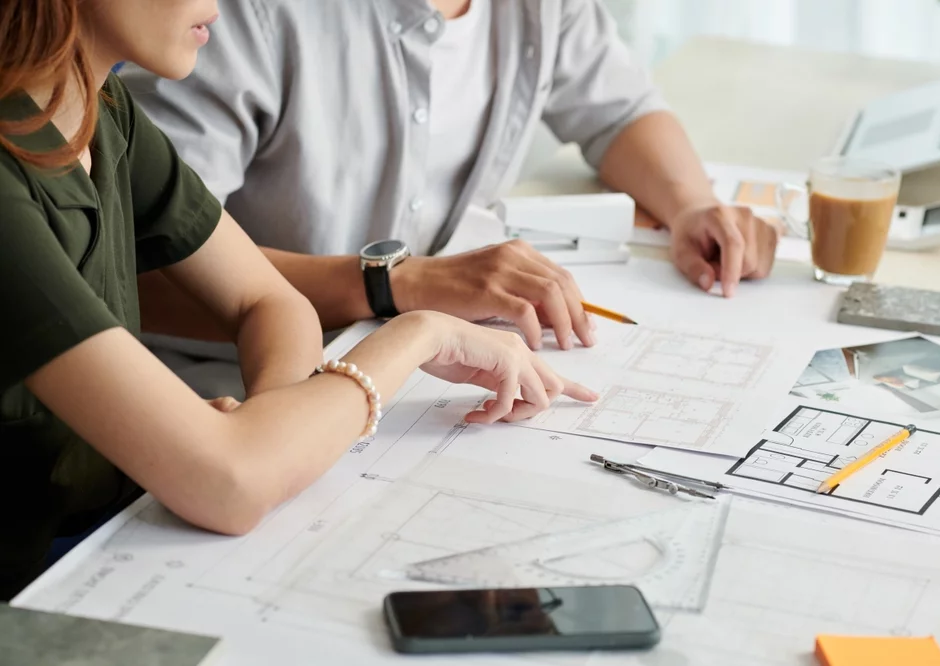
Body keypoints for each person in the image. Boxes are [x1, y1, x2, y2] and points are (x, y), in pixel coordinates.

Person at [0, 0, 595, 602]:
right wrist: (417, 335)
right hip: (39, 587)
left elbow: (269, 301)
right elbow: (230, 486)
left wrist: (273, 434)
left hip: (104, 544)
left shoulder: (102, 111)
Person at [119, 0, 780, 399]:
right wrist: (399, 287)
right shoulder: (232, 19)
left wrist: (690, 203)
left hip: (421, 359)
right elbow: (143, 272)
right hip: (226, 384)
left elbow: (618, 110)